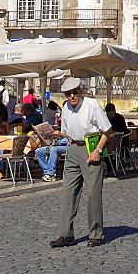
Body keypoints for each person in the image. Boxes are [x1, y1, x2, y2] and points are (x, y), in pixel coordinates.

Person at [50, 77, 112, 248]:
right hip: (73, 150)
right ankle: (65, 234)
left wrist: (97, 150)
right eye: (68, 94)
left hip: (90, 147)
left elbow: (107, 130)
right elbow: (67, 132)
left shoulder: (92, 105)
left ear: (81, 92)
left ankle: (95, 233)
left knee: (93, 193)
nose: (71, 96)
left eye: (74, 93)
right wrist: (56, 134)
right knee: (68, 192)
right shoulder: (66, 108)